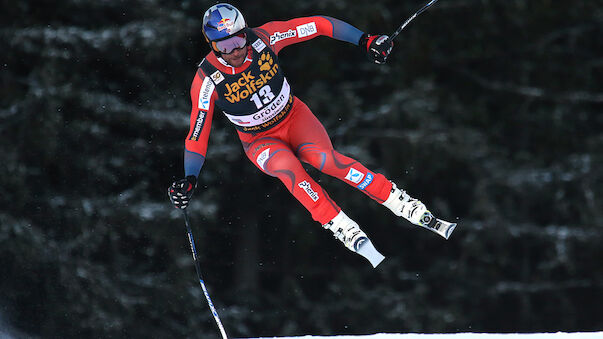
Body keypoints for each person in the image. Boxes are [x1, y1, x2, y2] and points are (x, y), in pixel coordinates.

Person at [168, 3, 455, 268]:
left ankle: (399, 201)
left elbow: (319, 24)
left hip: (294, 117)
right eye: (224, 45)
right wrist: (190, 178)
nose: (234, 50)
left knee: (327, 161)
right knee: (289, 170)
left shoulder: (265, 38)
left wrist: (365, 40)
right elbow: (197, 133)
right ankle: (341, 225)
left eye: (238, 40)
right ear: (212, 45)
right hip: (259, 141)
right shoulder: (206, 80)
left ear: (246, 32)